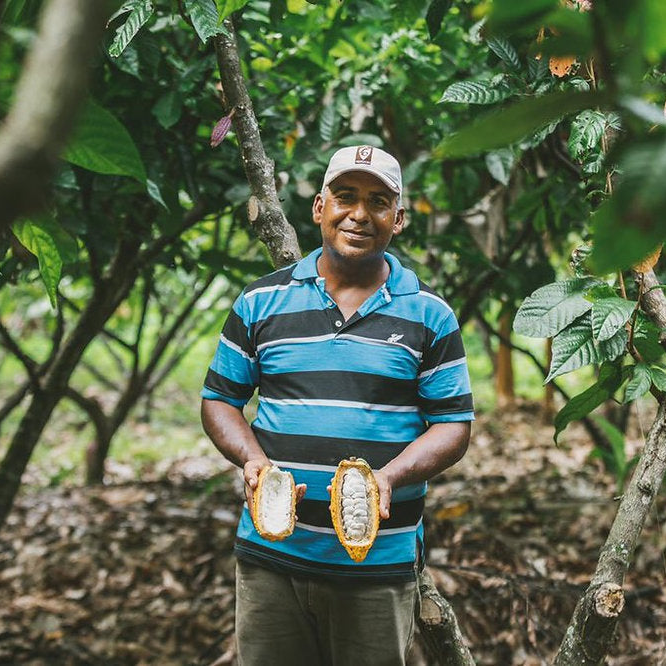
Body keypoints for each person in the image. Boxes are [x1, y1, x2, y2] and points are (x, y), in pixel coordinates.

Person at [200, 145, 474, 666]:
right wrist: (251, 460)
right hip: (270, 556)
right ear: (318, 207)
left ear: (399, 218)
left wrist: (390, 477)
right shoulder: (261, 302)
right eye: (345, 197)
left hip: (378, 564)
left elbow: (453, 426)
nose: (359, 214)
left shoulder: (429, 314)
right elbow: (220, 400)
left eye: (377, 202)